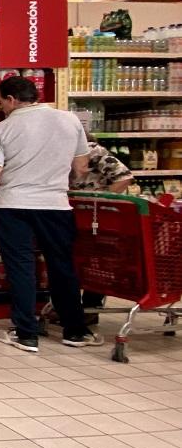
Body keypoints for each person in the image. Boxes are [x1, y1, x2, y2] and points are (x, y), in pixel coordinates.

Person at [0, 76, 92, 352]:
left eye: (1, 103)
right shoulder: (70, 120)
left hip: (12, 205)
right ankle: (74, 330)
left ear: (11, 99)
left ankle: (26, 333)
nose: (2, 109)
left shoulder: (1, 129)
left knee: (21, 268)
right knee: (62, 267)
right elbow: (81, 167)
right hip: (55, 205)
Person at [69, 133, 133, 329]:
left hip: (97, 218)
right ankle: (72, 307)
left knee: (95, 262)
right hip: (74, 215)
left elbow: (124, 177)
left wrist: (102, 201)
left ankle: (91, 307)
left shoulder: (92, 151)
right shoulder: (58, 149)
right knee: (77, 259)